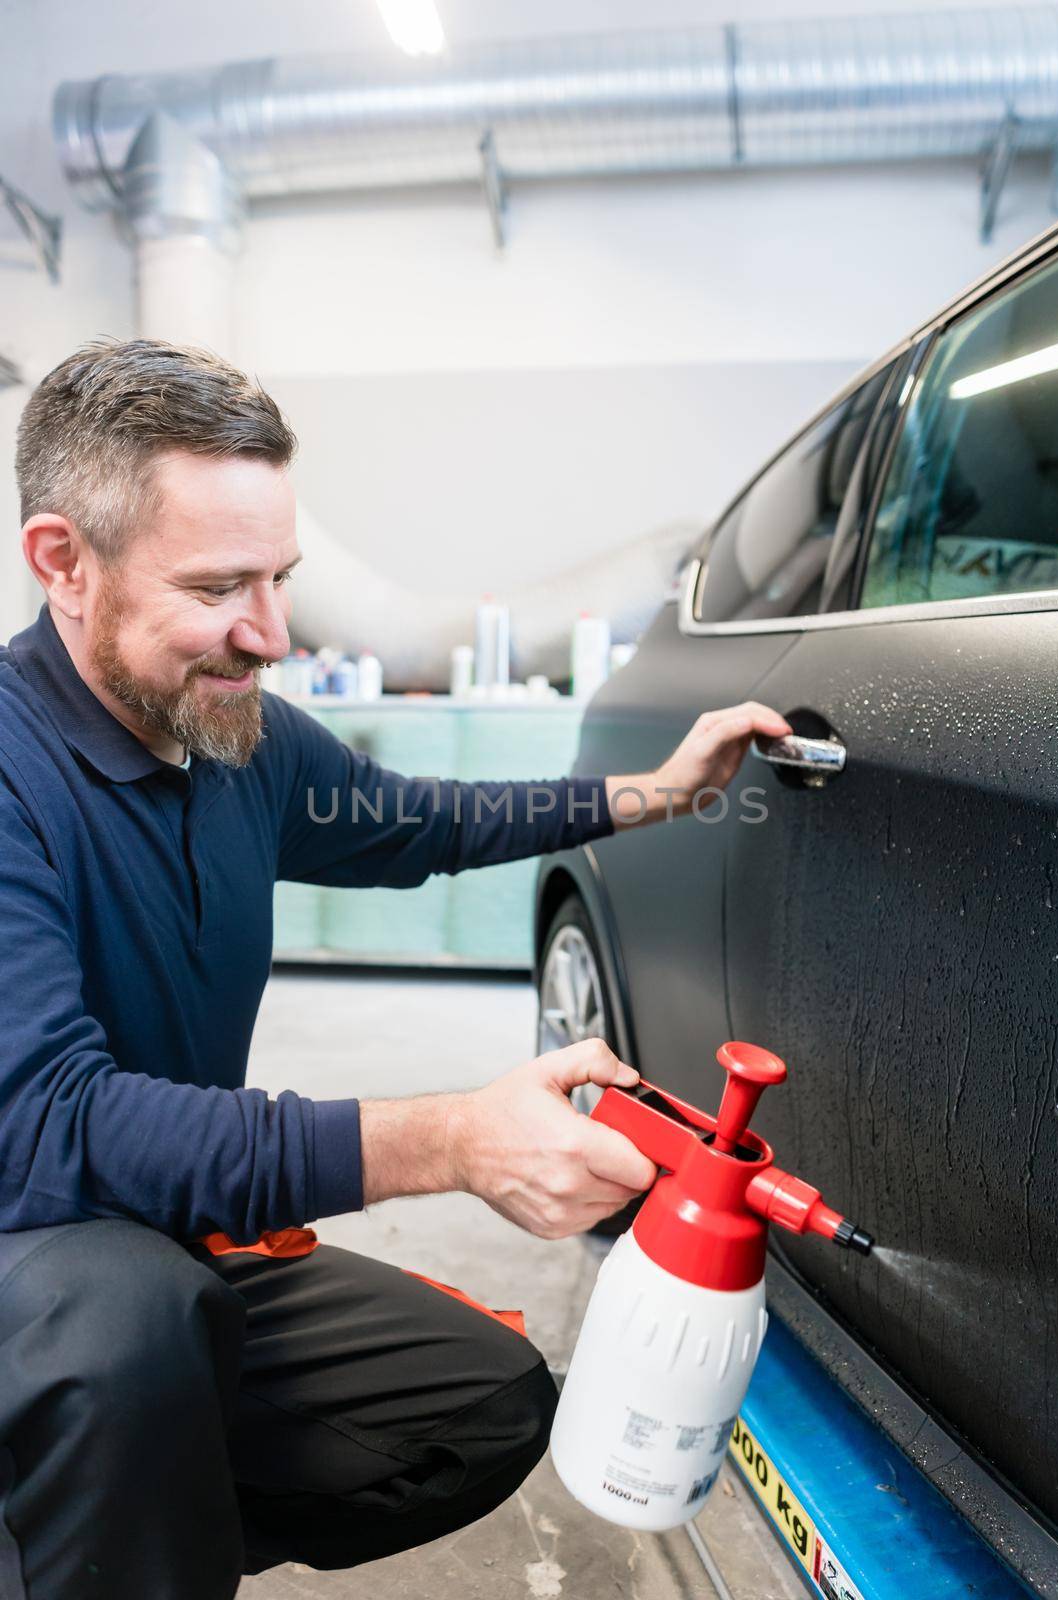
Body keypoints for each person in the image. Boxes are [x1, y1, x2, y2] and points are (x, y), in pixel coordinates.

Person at [0, 339, 791, 1599]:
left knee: (474, 1404)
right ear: (63, 561)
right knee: (128, 1318)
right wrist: (450, 1142)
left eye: (283, 578)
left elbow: (424, 819)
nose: (269, 634)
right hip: (36, 1248)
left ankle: (108, 1537)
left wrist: (656, 791)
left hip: (173, 1237)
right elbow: (47, 1129)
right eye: (219, 587)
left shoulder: (228, 735)